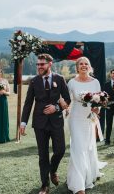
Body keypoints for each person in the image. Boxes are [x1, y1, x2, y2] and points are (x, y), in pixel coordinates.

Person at [20, 53, 71, 194]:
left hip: (56, 121)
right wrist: (23, 122)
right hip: (40, 123)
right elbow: (28, 103)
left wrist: (57, 107)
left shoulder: (59, 79)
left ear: (50, 64)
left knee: (60, 150)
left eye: (42, 64)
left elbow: (67, 99)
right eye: (37, 64)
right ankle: (45, 185)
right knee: (43, 155)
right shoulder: (34, 81)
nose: (39, 66)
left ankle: (53, 170)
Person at [66, 57, 107, 194]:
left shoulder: (95, 82)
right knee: (78, 148)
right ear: (77, 67)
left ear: (90, 67)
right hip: (75, 118)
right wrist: (64, 108)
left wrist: (97, 109)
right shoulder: (71, 82)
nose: (83, 66)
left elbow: (100, 100)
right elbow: (66, 99)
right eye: (81, 64)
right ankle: (78, 185)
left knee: (88, 147)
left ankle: (88, 174)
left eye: (86, 64)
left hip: (89, 119)